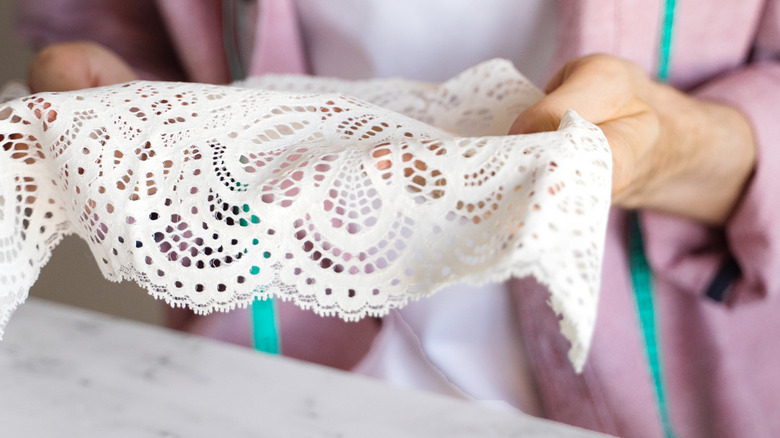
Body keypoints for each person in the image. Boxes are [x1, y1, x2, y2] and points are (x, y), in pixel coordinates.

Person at [16, 1, 780, 436]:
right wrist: (124, 107)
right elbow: (110, 29)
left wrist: (678, 146)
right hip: (267, 389)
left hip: (672, 399)